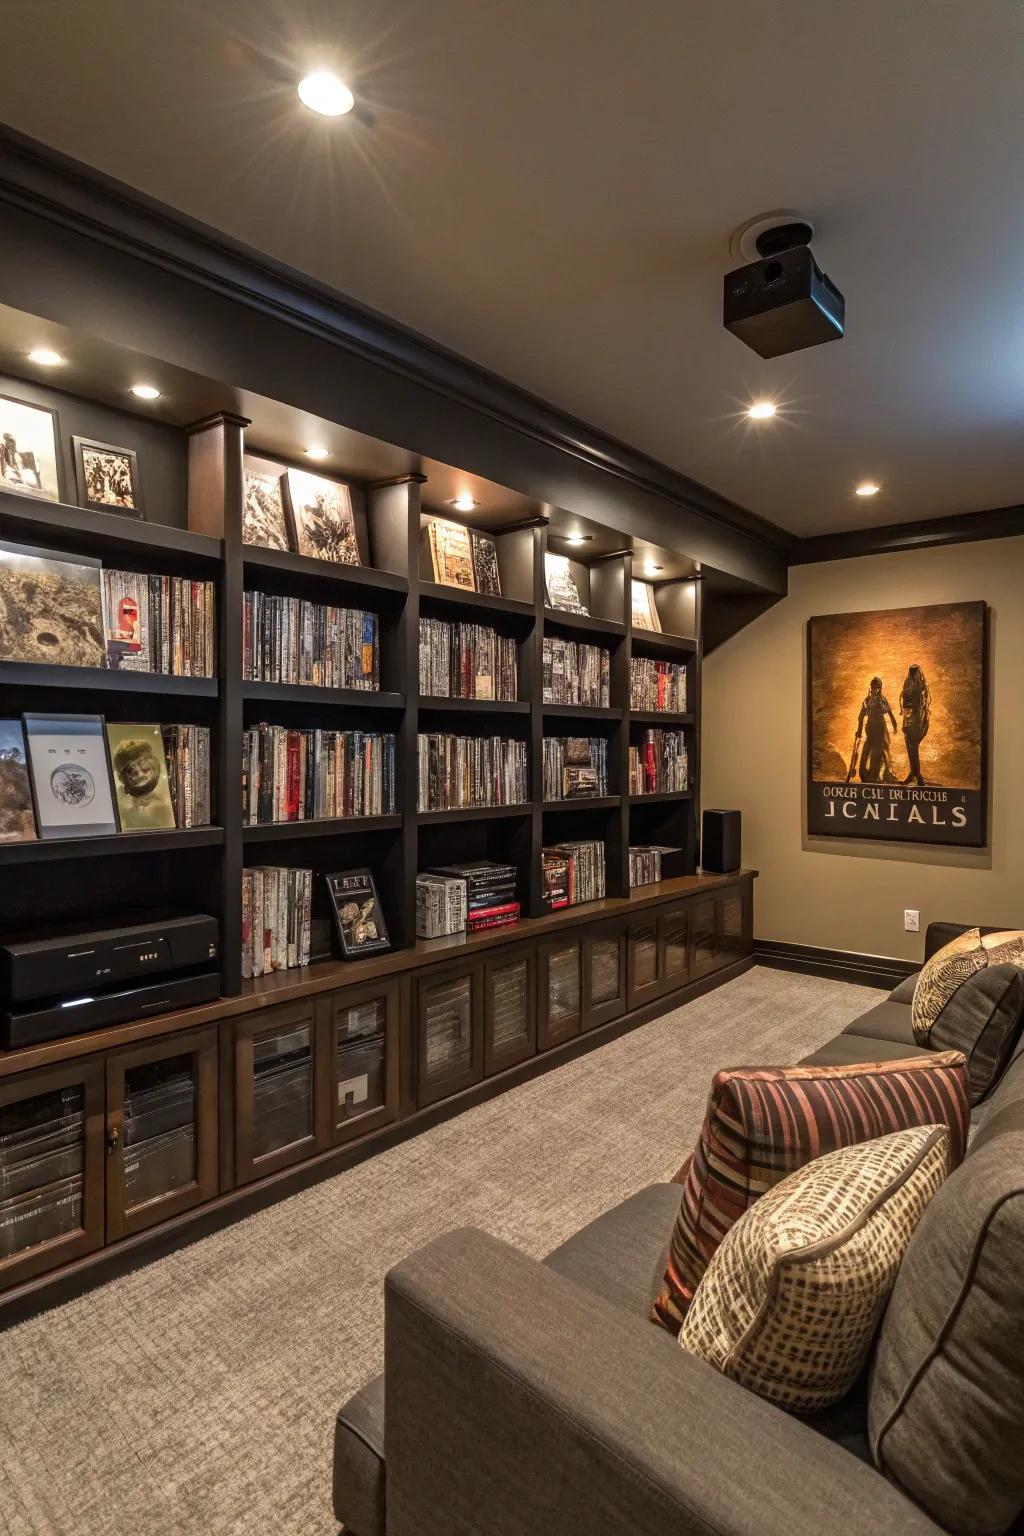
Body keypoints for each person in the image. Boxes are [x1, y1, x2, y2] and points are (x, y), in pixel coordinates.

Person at [854, 675, 899, 782]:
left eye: (878, 688)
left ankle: (877, 778)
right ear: (871, 688)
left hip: (879, 734)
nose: (876, 690)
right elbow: (860, 716)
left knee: (875, 760)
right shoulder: (867, 701)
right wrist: (859, 731)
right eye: (874, 688)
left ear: (880, 688)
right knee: (864, 759)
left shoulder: (882, 700)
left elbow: (890, 713)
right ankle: (868, 777)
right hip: (870, 734)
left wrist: (895, 725)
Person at [900, 663, 931, 785]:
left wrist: (908, 703)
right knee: (912, 749)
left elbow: (910, 703)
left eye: (913, 673)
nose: (912, 675)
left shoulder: (918, 686)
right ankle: (914, 774)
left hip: (915, 723)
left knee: (912, 747)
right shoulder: (917, 684)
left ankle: (917, 777)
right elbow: (906, 702)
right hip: (914, 722)